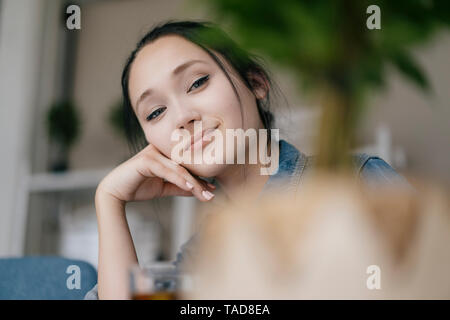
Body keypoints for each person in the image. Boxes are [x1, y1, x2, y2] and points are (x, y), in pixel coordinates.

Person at [84, 20, 410, 300]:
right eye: (156, 112)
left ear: (255, 83)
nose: (182, 117)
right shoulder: (199, 257)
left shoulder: (356, 180)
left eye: (197, 82)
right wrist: (110, 200)